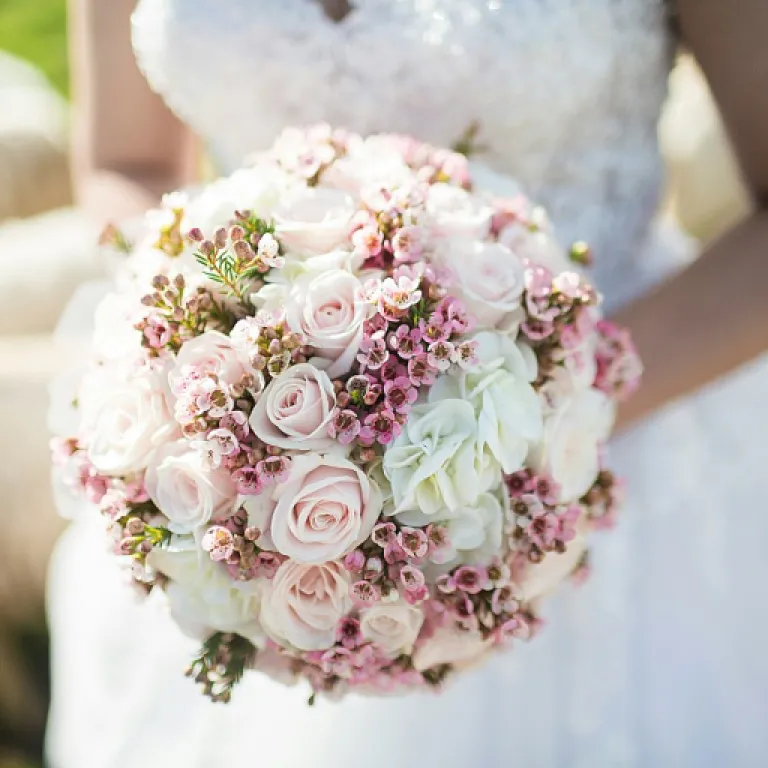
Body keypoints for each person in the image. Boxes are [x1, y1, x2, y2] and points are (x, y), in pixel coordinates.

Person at [47, 1, 768, 766]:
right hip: (237, 481)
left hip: (620, 444)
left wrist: (550, 407)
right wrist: (195, 352)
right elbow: (130, 165)